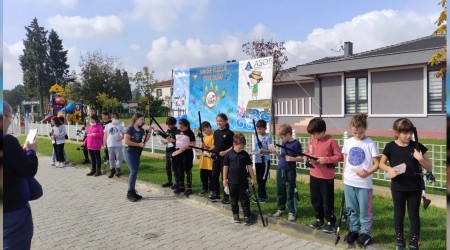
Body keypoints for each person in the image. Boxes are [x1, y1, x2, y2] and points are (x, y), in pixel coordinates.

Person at [379, 118, 432, 250]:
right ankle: (399, 239)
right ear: (396, 132)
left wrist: (420, 159)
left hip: (415, 187)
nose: (408, 136)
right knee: (399, 213)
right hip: (398, 186)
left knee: (414, 214)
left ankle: (414, 240)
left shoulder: (417, 147)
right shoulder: (390, 146)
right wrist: (390, 169)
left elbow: (430, 167)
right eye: (405, 133)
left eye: (410, 133)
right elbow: (381, 163)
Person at [3, 101, 39, 249]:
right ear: (4, 117)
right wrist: (31, 152)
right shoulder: (7, 141)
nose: (11, 121)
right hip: (12, 209)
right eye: (10, 117)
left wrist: (20, 153)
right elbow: (29, 170)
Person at [341, 113, 380, 246]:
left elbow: (377, 164)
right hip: (349, 181)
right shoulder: (348, 142)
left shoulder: (370, 143)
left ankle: (366, 232)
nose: (357, 135)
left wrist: (367, 172)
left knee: (365, 209)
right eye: (355, 132)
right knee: (351, 208)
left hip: (364, 183)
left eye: (360, 132)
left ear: (365, 128)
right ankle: (353, 230)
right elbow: (346, 160)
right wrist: (343, 176)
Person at [305, 117, 343, 233]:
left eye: (315, 134)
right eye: (312, 134)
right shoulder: (312, 140)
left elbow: (339, 157)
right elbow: (307, 152)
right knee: (315, 199)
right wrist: (308, 158)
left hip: (326, 177)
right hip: (314, 175)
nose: (313, 136)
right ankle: (319, 218)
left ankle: (331, 221)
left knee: (327, 200)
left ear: (322, 131)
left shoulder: (331, 141)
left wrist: (325, 159)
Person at [223, 133, 255, 225]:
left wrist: (252, 178)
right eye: (239, 147)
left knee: (244, 199)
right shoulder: (228, 155)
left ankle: (247, 216)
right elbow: (225, 167)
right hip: (232, 182)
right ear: (234, 144)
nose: (241, 149)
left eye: (242, 147)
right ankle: (235, 215)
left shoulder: (245, 155)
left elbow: (249, 167)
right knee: (233, 199)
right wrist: (225, 180)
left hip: (243, 182)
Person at [272, 124, 303, 222]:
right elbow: (282, 156)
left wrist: (292, 158)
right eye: (280, 137)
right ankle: (281, 208)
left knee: (290, 191)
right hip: (281, 169)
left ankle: (291, 211)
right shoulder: (283, 143)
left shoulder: (296, 144)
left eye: (282, 137)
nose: (281, 139)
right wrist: (274, 152)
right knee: (280, 190)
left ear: (288, 134)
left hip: (290, 170)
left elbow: (301, 158)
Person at [123, 113, 150, 202]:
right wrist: (139, 144)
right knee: (133, 171)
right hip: (129, 151)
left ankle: (133, 191)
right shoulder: (130, 128)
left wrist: (149, 132)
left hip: (136, 153)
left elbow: (145, 139)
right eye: (141, 119)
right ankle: (129, 193)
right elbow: (126, 141)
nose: (143, 121)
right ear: (136, 119)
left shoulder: (141, 130)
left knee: (135, 172)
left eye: (143, 119)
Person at [209, 113, 234, 204]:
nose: (219, 122)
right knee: (214, 175)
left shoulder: (229, 133)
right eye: (217, 121)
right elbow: (215, 145)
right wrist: (208, 149)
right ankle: (216, 193)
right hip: (216, 158)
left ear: (226, 121)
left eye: (221, 121)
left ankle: (226, 196)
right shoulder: (216, 132)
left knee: (225, 177)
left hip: (225, 159)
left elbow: (233, 146)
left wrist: (225, 152)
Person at [171, 118, 196, 195]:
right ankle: (181, 186)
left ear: (186, 126)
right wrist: (169, 140)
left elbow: (193, 144)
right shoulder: (177, 131)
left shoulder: (190, 133)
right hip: (178, 153)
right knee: (179, 169)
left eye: (182, 127)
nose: (180, 129)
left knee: (188, 170)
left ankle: (189, 188)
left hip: (187, 154)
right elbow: (174, 140)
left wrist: (185, 147)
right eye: (179, 127)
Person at [253, 119, 272, 204]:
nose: (259, 130)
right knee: (258, 179)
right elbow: (256, 149)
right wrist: (253, 152)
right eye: (258, 129)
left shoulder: (268, 138)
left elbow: (271, 150)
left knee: (262, 180)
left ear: (265, 128)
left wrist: (264, 151)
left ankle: (261, 197)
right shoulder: (256, 137)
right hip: (258, 161)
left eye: (261, 129)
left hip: (265, 161)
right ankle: (263, 195)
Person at [158, 117, 178, 188]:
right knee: (167, 167)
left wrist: (166, 138)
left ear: (174, 124)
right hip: (168, 150)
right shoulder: (168, 130)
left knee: (174, 167)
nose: (168, 126)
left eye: (170, 125)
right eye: (168, 125)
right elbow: (166, 137)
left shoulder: (176, 131)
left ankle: (177, 183)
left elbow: (173, 139)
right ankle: (169, 181)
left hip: (174, 151)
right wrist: (159, 133)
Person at [103, 112, 125, 178]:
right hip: (110, 144)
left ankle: (118, 169)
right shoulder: (108, 126)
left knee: (118, 157)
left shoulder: (120, 126)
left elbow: (124, 134)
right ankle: (112, 170)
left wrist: (121, 137)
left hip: (118, 145)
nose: (116, 119)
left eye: (117, 118)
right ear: (111, 118)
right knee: (111, 158)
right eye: (115, 118)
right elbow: (105, 135)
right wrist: (104, 144)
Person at [197, 121, 214, 195]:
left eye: (205, 130)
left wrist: (205, 146)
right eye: (203, 131)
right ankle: (205, 188)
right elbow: (202, 149)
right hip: (203, 160)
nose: (204, 132)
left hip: (210, 160)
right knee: (203, 176)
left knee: (211, 176)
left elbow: (213, 147)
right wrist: (199, 150)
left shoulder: (213, 136)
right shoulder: (204, 137)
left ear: (209, 127)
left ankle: (211, 189)